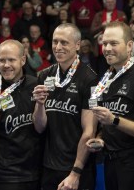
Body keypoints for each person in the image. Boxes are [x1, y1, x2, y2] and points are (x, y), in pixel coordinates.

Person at [86, 21, 134, 190]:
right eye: (104, 43)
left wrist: (114, 120)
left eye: (113, 43)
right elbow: (108, 123)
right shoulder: (106, 77)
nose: (107, 48)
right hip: (110, 162)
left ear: (129, 46)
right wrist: (100, 138)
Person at [32, 23, 98, 190]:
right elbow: (39, 127)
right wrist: (39, 105)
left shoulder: (90, 79)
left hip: (77, 169)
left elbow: (89, 132)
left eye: (64, 42)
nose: (58, 47)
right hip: (49, 167)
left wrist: (75, 173)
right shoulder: (45, 75)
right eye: (55, 42)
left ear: (77, 45)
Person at [0, 39, 42, 190]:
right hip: (6, 176)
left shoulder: (37, 87)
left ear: (22, 60)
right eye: (2, 60)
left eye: (11, 60)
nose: (6, 65)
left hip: (38, 172)